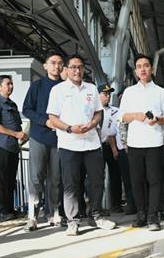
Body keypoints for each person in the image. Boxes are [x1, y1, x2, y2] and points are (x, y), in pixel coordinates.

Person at [47, 54, 115, 235]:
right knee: (71, 184)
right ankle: (73, 221)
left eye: (80, 67)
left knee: (97, 181)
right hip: (69, 144)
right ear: (66, 70)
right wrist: (70, 128)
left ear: (83, 70)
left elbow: (98, 114)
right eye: (73, 67)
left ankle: (97, 216)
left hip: (92, 144)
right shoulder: (58, 90)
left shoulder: (92, 89)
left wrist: (92, 124)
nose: (77, 71)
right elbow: (52, 118)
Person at [118, 53, 164, 231]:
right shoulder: (129, 92)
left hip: (155, 142)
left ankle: (153, 216)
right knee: (136, 180)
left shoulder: (161, 92)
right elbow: (122, 116)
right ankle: (141, 214)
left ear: (152, 69)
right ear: (135, 71)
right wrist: (136, 116)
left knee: (154, 180)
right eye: (139, 66)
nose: (143, 69)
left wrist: (157, 119)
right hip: (134, 143)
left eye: (146, 65)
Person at [22, 52, 64, 231]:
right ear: (45, 66)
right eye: (53, 63)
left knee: (55, 178)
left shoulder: (65, 88)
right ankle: (32, 216)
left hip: (60, 138)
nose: (57, 66)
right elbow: (27, 110)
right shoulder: (37, 86)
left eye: (60, 63)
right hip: (39, 136)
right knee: (36, 177)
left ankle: (54, 212)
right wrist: (45, 121)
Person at [0, 75, 26, 222]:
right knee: (2, 179)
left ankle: (10, 209)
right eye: (8, 84)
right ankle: (3, 212)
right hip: (1, 145)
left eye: (12, 84)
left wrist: (22, 135)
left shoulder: (13, 104)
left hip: (12, 147)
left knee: (10, 180)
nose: (11, 86)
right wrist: (16, 134)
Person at [98, 83, 123, 213]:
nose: (107, 96)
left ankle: (116, 204)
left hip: (111, 147)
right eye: (104, 94)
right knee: (97, 177)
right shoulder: (92, 111)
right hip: (97, 147)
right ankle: (97, 206)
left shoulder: (116, 111)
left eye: (108, 94)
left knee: (115, 176)